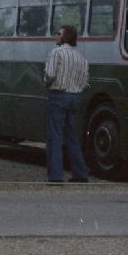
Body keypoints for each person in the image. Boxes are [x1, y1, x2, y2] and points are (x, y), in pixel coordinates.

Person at [44, 25, 90, 183]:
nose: (56, 36)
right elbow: (85, 81)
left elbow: (49, 74)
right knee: (71, 136)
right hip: (74, 96)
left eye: (58, 34)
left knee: (54, 136)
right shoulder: (80, 57)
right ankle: (80, 173)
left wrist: (46, 83)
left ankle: (56, 176)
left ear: (65, 37)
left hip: (58, 95)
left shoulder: (56, 52)